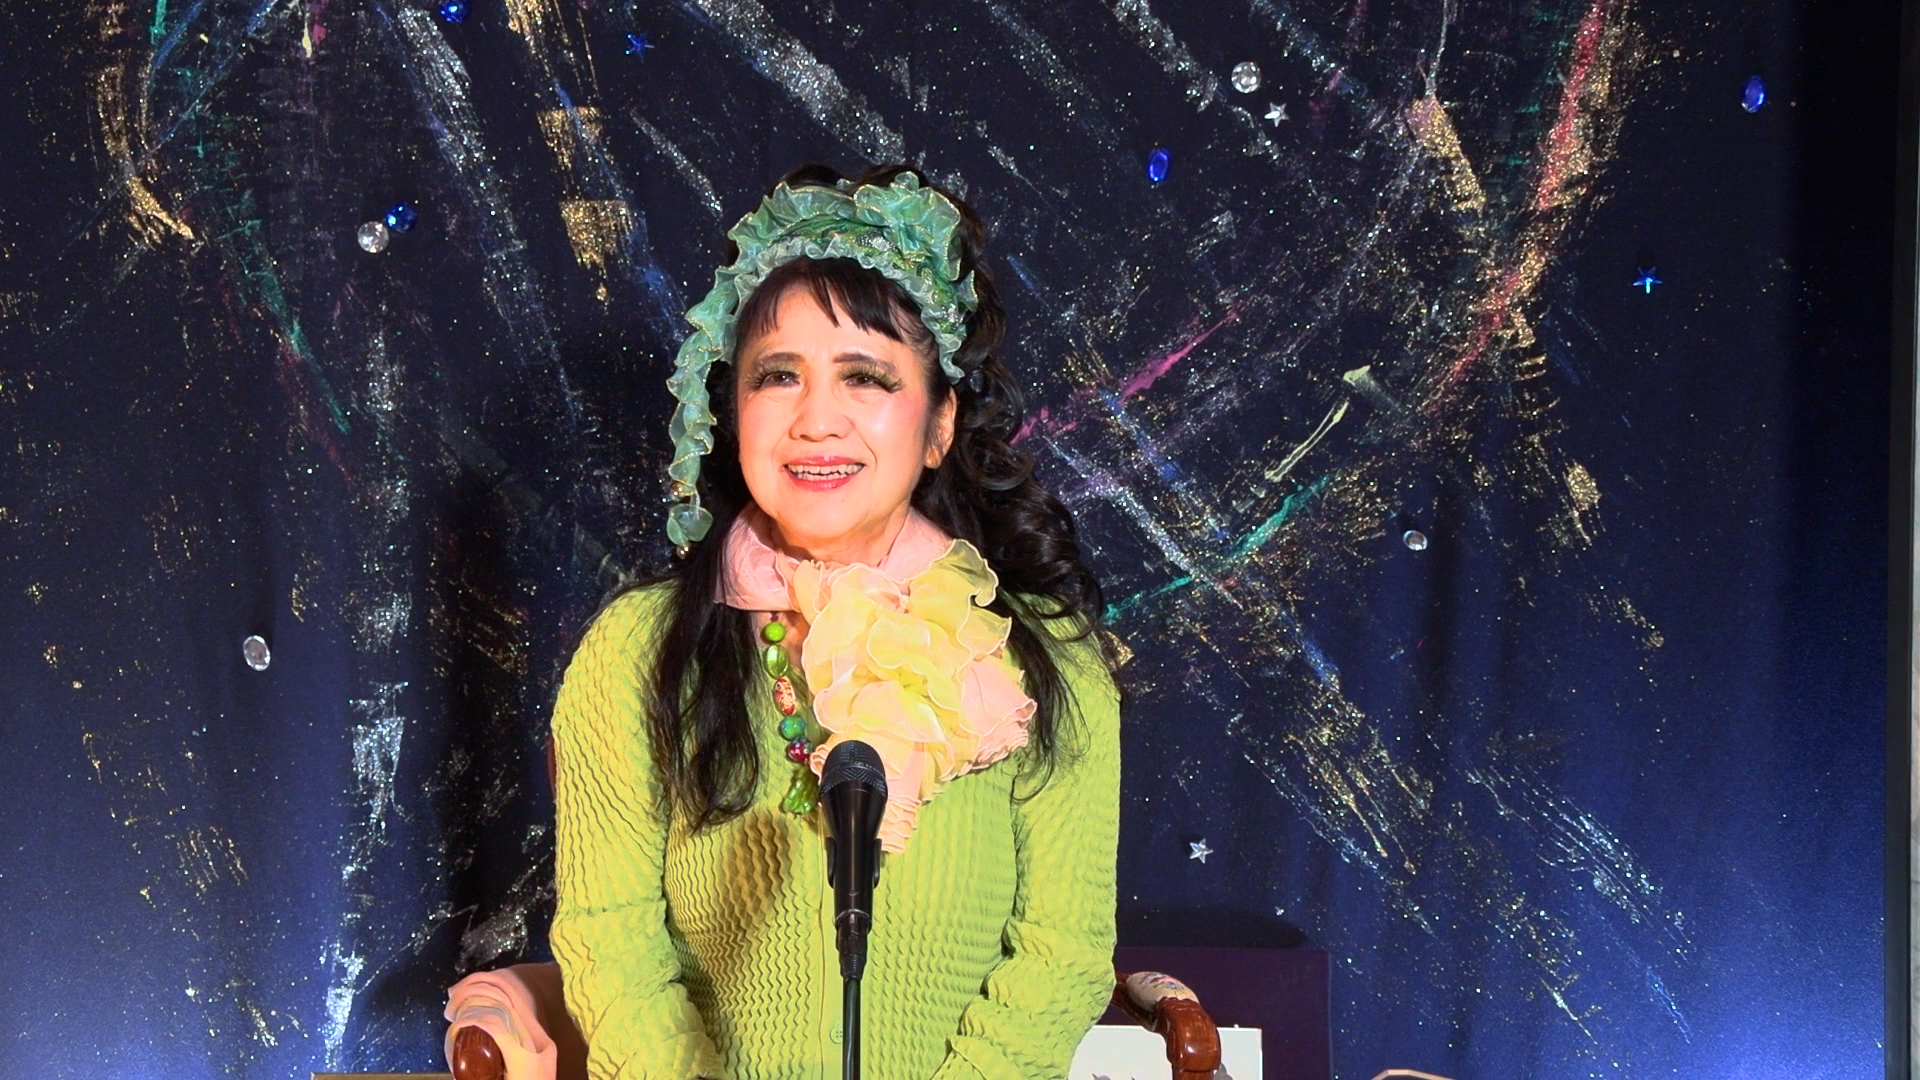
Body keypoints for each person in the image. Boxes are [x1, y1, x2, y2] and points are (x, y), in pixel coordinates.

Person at [547, 162, 1121, 1080]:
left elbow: (1062, 957)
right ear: (732, 411)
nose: (817, 421)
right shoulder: (635, 651)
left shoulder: (1048, 659)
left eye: (866, 377)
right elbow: (610, 942)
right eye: (779, 376)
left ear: (939, 426)